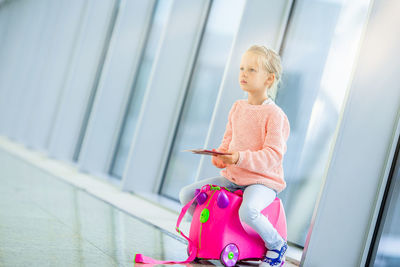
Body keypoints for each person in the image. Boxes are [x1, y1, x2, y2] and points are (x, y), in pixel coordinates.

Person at [179, 45, 290, 266]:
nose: (243, 74)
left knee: (249, 211)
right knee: (187, 195)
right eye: (241, 68)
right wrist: (219, 157)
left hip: (262, 182)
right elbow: (228, 142)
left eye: (251, 70)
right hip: (233, 177)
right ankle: (209, 235)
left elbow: (273, 156)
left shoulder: (275, 115)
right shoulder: (237, 107)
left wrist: (239, 157)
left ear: (269, 79)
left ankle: (277, 246)